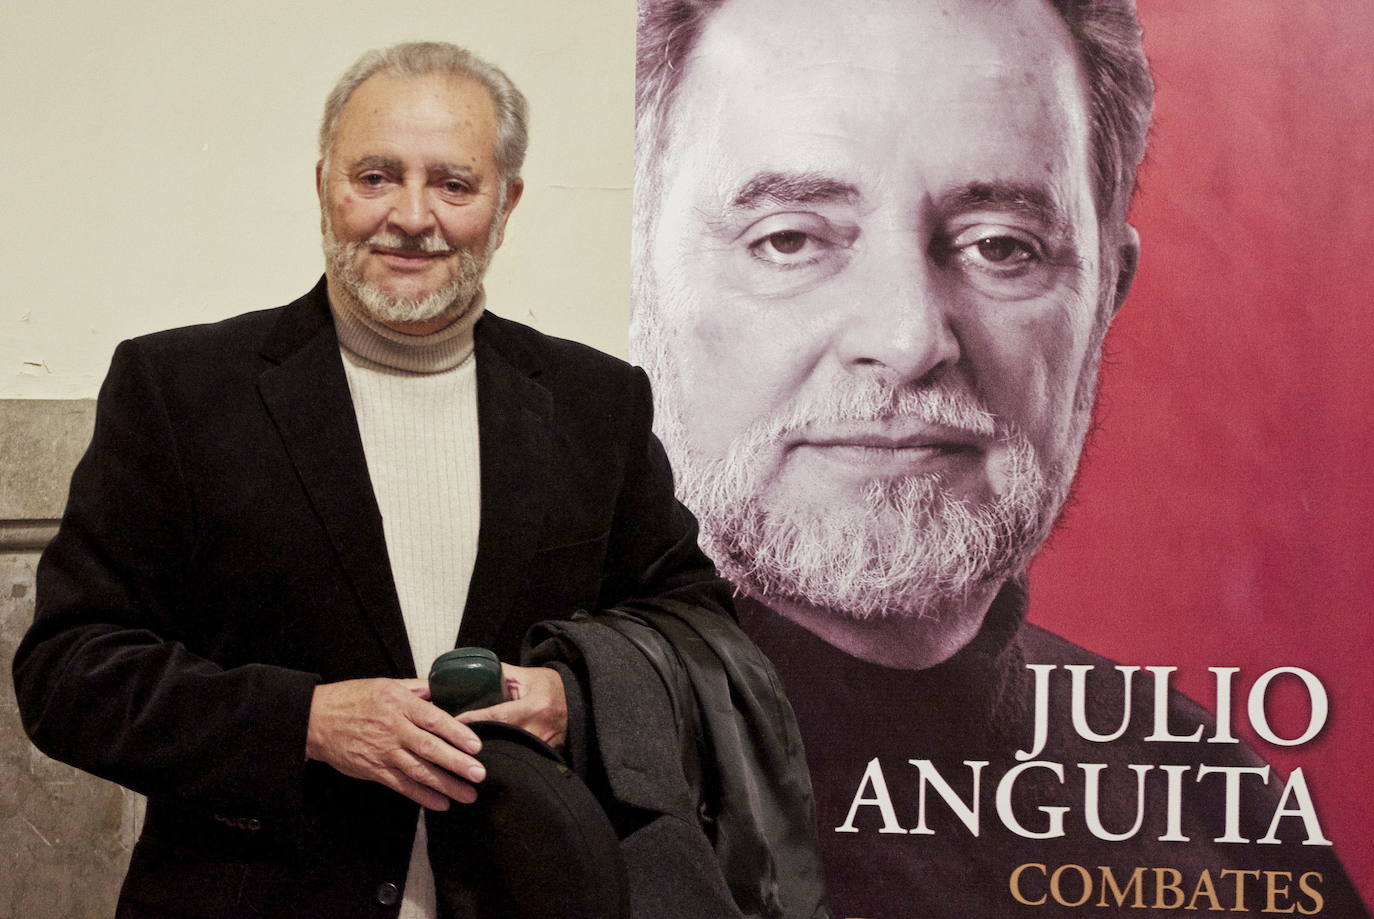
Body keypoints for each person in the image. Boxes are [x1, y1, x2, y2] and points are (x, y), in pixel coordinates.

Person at [13, 42, 827, 919]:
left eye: (453, 183)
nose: (411, 215)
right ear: (324, 183)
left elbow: (696, 625)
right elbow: (69, 670)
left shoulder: (596, 403)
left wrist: (575, 696)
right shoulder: (178, 390)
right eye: (375, 176)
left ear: (506, 202)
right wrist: (305, 723)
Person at [630, 0, 1368, 915]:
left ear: (1106, 300)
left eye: (1001, 247)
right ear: (639, 270)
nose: (906, 338)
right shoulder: (504, 758)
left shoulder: (1209, 803)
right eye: (788, 238)